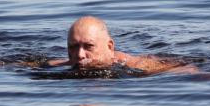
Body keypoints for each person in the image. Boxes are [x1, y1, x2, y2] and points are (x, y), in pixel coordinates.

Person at [40, 16, 196, 75]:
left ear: (109, 46)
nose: (79, 55)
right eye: (73, 47)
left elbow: (189, 70)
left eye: (88, 46)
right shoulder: (58, 65)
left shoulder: (136, 65)